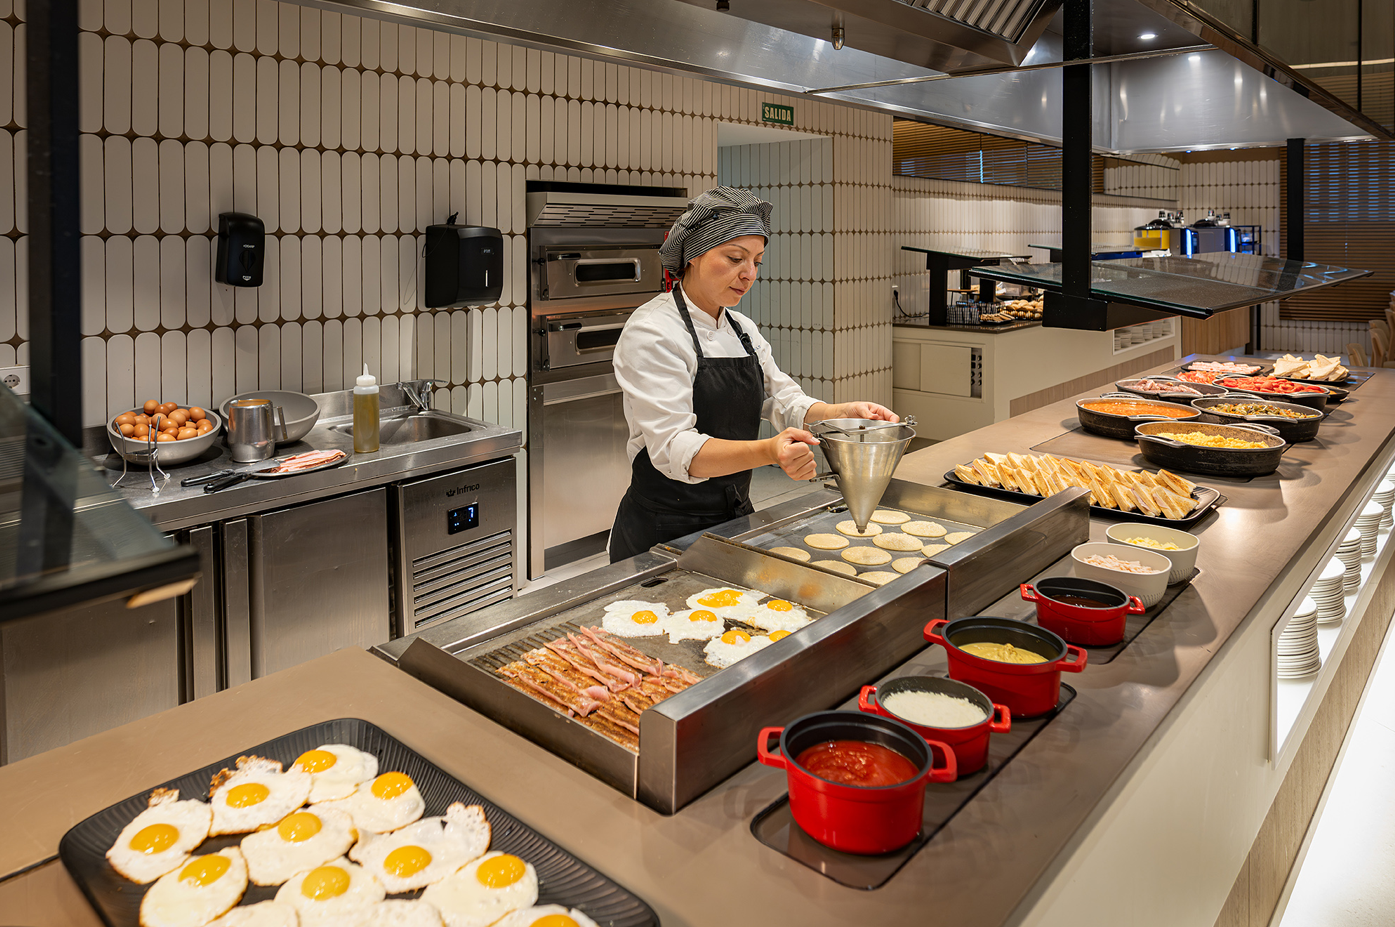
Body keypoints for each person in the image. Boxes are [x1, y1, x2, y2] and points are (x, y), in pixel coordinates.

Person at [608, 187, 897, 562]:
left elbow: (782, 399)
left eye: (757, 262)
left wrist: (843, 413)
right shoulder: (653, 331)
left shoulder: (740, 328)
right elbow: (676, 449)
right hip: (663, 528)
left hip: (733, 517)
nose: (748, 274)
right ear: (694, 254)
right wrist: (768, 451)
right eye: (734, 258)